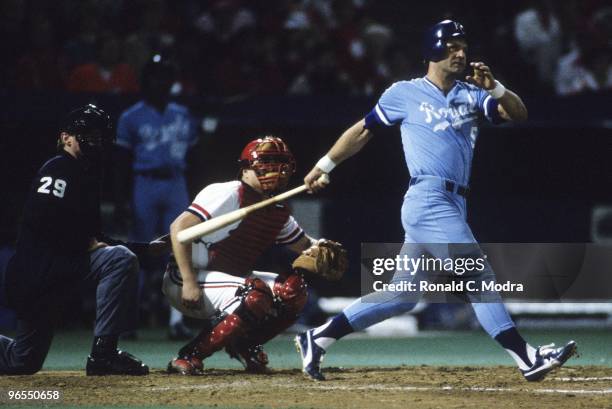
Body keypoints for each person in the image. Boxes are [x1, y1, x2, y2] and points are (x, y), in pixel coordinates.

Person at [295, 20, 577, 382]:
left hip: (454, 201)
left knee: (402, 296)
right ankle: (527, 358)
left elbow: (518, 113)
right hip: (428, 198)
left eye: (463, 46)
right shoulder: (403, 93)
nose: (460, 53)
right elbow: (363, 130)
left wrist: (497, 88)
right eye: (452, 46)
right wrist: (324, 165)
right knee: (476, 276)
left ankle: (317, 338)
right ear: (433, 50)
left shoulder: (474, 93)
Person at [162, 136, 347, 375]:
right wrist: (188, 281)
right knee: (254, 292)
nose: (276, 170)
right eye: (267, 162)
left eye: (280, 163)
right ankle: (190, 355)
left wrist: (321, 247)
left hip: (230, 280)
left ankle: (245, 345)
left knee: (293, 290)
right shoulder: (228, 193)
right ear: (246, 168)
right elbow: (179, 229)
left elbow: (304, 245)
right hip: (188, 279)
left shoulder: (277, 209)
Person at [0, 104, 148, 375]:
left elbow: (96, 238)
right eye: (88, 134)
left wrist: (147, 249)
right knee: (21, 361)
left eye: (99, 134)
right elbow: (45, 219)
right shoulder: (58, 168)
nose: (96, 140)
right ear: (66, 138)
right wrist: (83, 243)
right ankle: (103, 356)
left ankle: (104, 354)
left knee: (23, 361)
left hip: (62, 267)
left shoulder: (87, 174)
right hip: (38, 275)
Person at [115, 55, 199, 339]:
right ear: (145, 81)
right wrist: (121, 200)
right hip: (144, 182)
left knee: (181, 246)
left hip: (176, 181)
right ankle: (129, 319)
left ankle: (177, 320)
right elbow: (122, 163)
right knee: (137, 251)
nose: (160, 82)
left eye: (164, 76)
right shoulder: (131, 116)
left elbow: (195, 157)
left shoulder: (183, 114)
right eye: (154, 76)